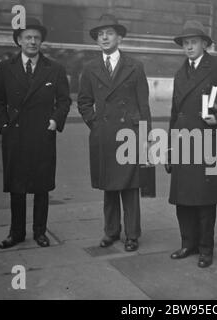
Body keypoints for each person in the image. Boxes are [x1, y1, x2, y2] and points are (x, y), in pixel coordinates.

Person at [166, 20, 217, 268]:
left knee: (204, 198)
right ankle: (187, 244)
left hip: (206, 141)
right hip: (182, 142)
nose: (189, 47)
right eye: (185, 43)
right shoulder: (180, 73)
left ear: (204, 44)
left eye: (193, 42)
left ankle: (205, 249)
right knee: (183, 198)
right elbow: (173, 113)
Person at [0, 17, 71, 249]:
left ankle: (39, 232)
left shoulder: (54, 69)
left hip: (43, 133)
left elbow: (64, 100)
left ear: (41, 41)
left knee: (41, 185)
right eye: (28, 37)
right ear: (19, 40)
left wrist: (55, 120)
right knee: (17, 185)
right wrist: (4, 125)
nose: (33, 42)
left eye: (36, 38)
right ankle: (16, 233)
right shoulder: (5, 68)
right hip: (15, 134)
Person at [78, 14, 152, 252]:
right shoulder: (90, 68)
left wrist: (146, 136)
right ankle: (111, 232)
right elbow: (84, 102)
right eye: (100, 34)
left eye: (109, 33)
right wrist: (96, 123)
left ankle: (132, 235)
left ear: (119, 37)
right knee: (109, 187)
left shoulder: (135, 66)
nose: (104, 38)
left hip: (129, 134)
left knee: (130, 188)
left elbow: (144, 104)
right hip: (105, 134)